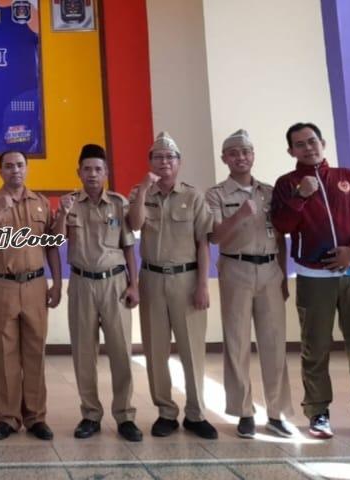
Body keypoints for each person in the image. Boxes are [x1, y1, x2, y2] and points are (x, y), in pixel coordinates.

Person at [271, 122, 350, 441]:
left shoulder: (347, 178)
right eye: (300, 144)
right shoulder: (287, 183)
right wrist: (299, 197)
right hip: (313, 279)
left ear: (322, 143)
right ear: (291, 151)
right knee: (315, 348)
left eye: (312, 141)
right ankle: (318, 413)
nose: (308, 148)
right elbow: (282, 225)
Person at [128, 131, 217, 440]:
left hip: (187, 278)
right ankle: (166, 412)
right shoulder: (141, 194)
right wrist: (141, 191)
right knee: (155, 349)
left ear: (179, 163)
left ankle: (196, 413)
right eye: (158, 157)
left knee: (192, 349)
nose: (164, 162)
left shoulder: (193, 197)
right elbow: (134, 224)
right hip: (151, 278)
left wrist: (203, 285)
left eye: (170, 157)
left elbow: (203, 243)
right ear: (150, 162)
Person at [205, 130, 294, 439]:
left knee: (274, 343)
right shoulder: (216, 194)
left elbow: (281, 238)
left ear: (253, 155)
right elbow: (215, 237)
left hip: (270, 271)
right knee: (237, 342)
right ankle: (244, 411)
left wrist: (283, 276)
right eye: (233, 152)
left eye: (246, 151)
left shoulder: (270, 192)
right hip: (235, 269)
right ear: (224, 159)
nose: (240, 157)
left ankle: (277, 413)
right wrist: (241, 215)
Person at [0, 150, 61, 441]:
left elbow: (52, 246)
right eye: (8, 167)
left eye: (20, 165)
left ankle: (35, 417)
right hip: (3, 285)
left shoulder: (42, 203)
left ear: (27, 168)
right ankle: (8, 418)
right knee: (5, 354)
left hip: (35, 284)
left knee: (35, 352)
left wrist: (57, 283)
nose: (15, 171)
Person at [53, 144, 142, 442]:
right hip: (81, 284)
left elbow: (128, 246)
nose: (92, 174)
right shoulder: (68, 205)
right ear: (78, 172)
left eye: (98, 169)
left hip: (115, 283)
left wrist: (134, 284)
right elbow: (54, 240)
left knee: (120, 351)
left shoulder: (118, 204)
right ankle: (90, 414)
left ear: (106, 173)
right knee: (84, 353)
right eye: (87, 169)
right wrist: (63, 213)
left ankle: (125, 416)